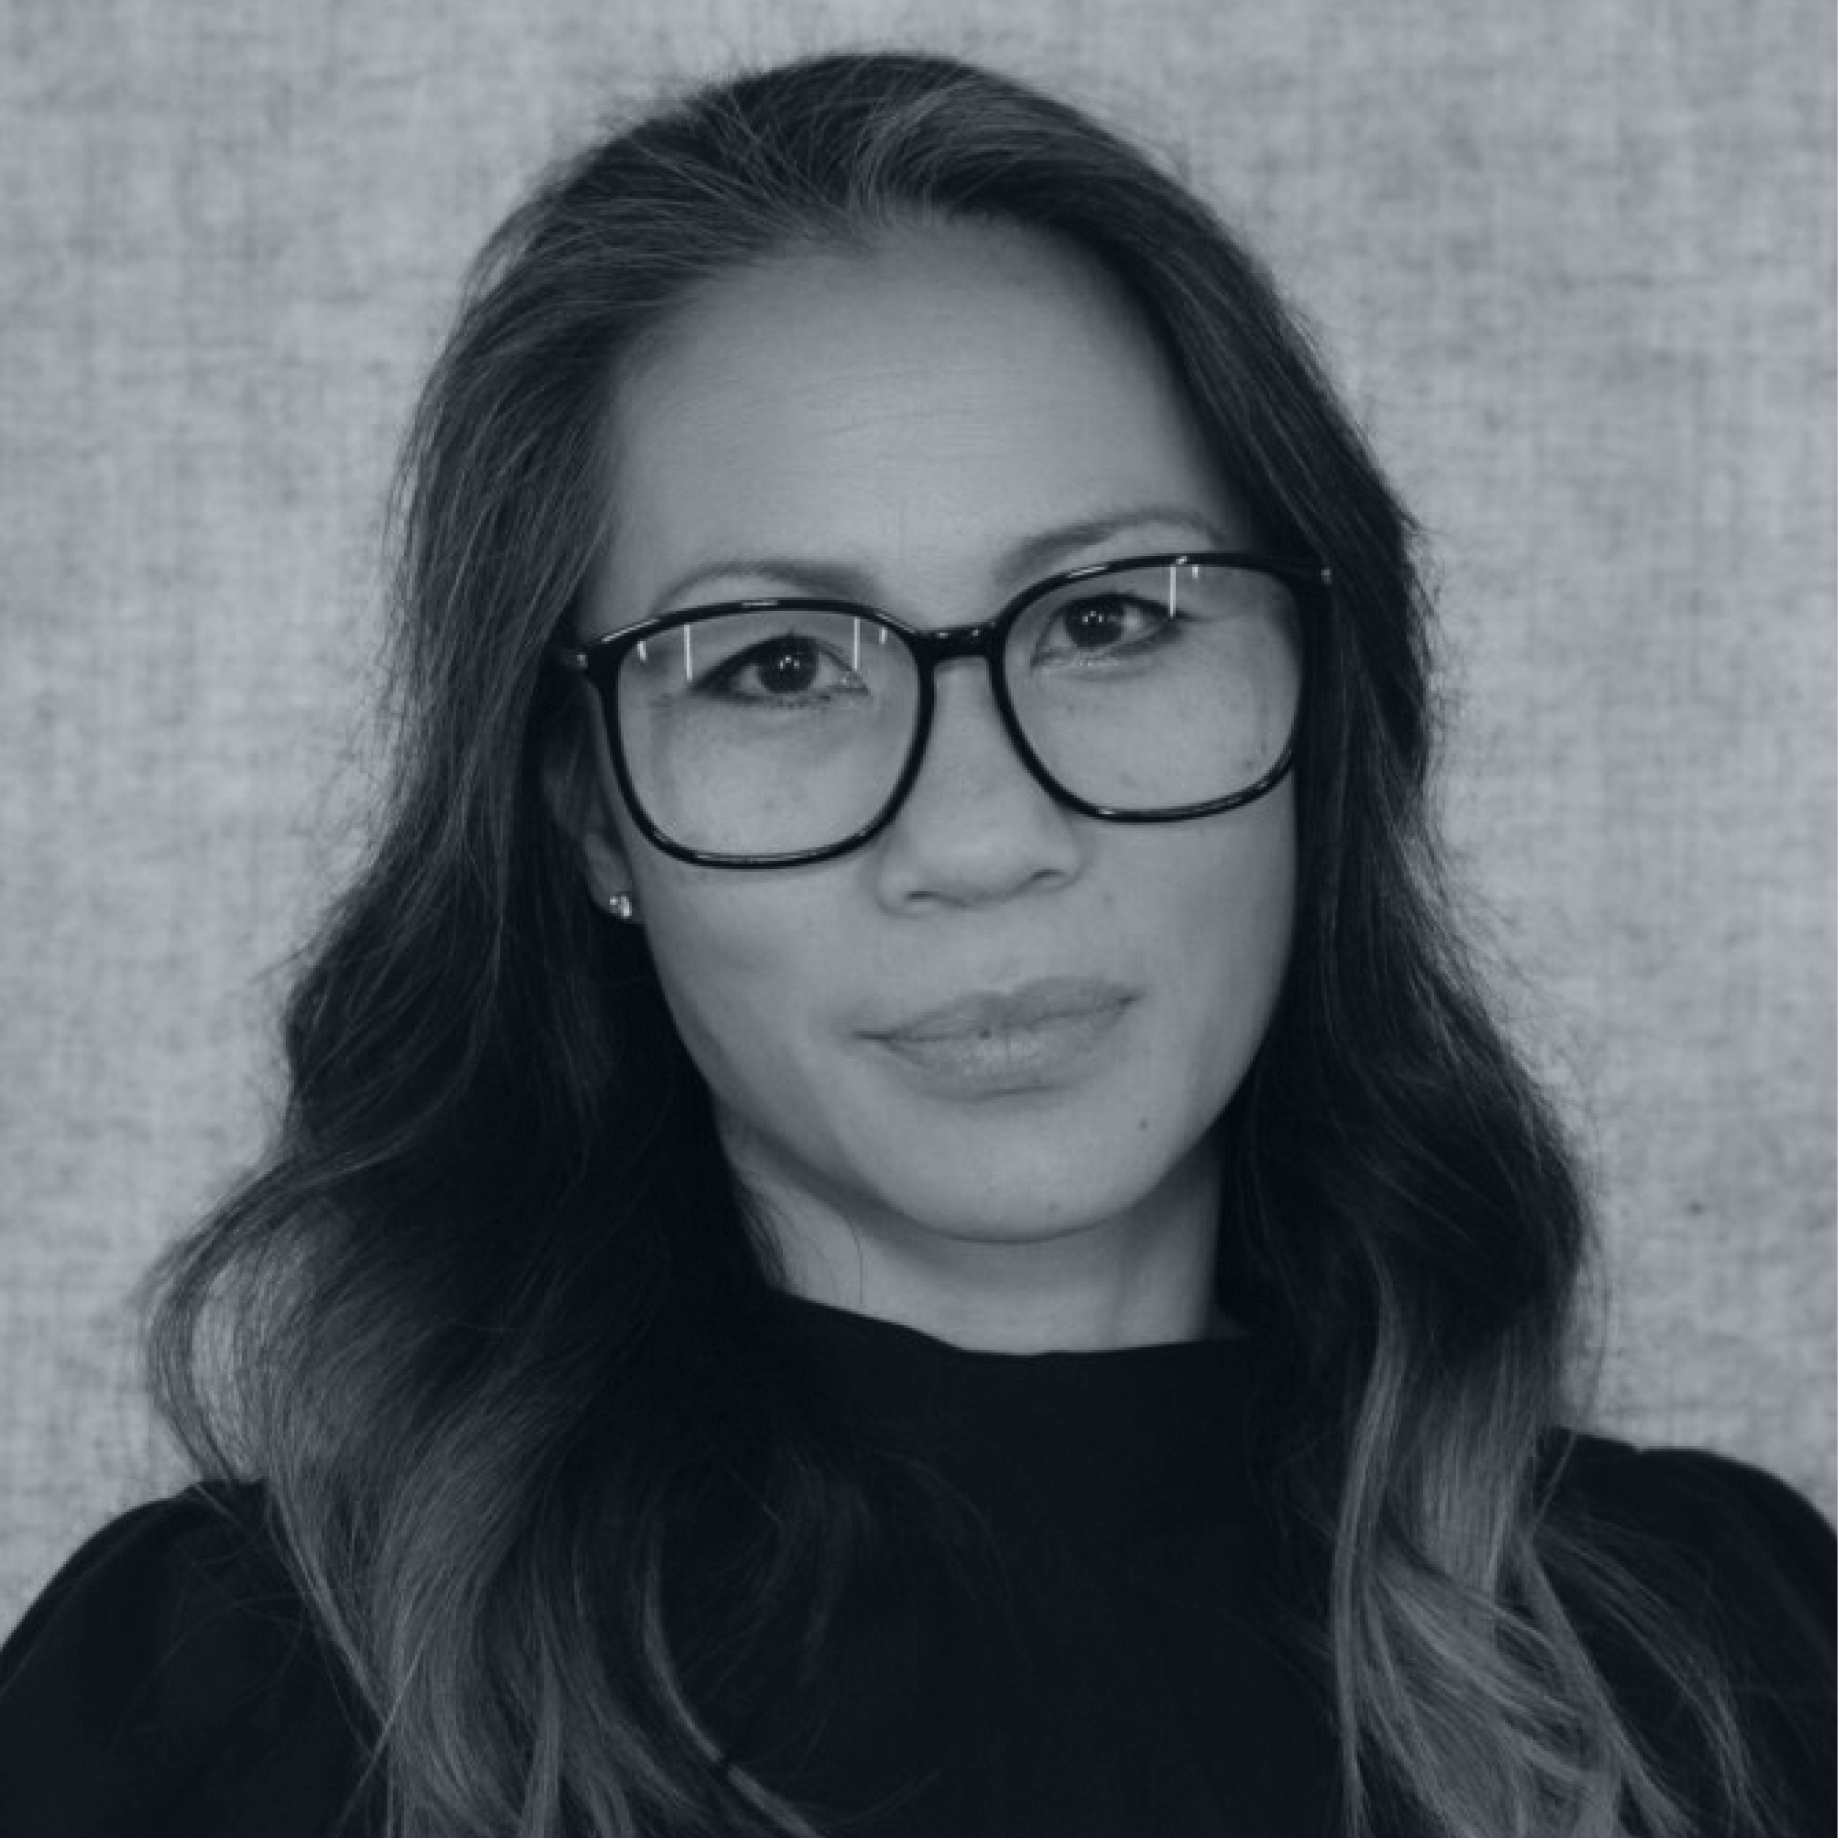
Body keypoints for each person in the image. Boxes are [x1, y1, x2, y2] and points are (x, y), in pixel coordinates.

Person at [0, 48, 1830, 1838]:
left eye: (1110, 619)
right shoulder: (208, 1703)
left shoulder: (1734, 1651)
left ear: (1323, 704)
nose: (978, 836)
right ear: (588, 813)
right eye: (778, 665)